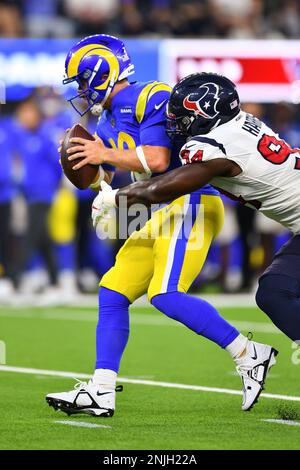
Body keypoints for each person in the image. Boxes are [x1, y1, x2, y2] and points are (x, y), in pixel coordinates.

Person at [46, 39, 276, 418]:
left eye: (84, 82)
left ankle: (250, 353)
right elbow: (107, 173)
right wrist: (82, 166)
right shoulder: (105, 119)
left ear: (103, 73)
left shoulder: (149, 96)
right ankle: (101, 390)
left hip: (193, 203)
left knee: (165, 294)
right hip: (160, 211)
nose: (81, 91)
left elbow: (156, 159)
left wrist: (102, 154)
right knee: (113, 290)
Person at [94, 72, 300, 344]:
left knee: (275, 293)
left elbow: (163, 188)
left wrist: (114, 197)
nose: (174, 123)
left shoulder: (218, 148)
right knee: (274, 292)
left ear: (206, 115)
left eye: (181, 117)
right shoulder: (240, 126)